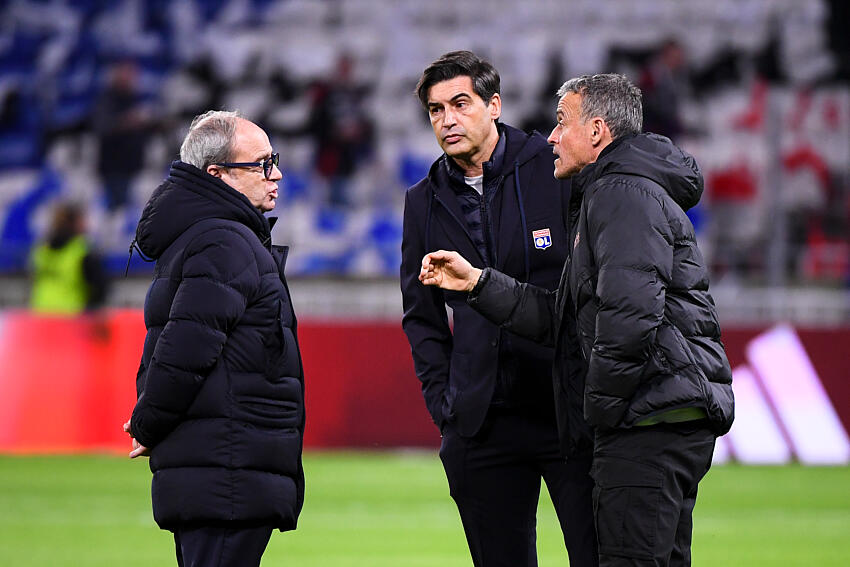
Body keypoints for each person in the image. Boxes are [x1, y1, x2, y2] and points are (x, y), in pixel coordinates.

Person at [418, 73, 734, 567]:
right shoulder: (616, 191)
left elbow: (630, 320)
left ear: (596, 131)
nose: (551, 137)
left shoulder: (620, 193)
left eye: (562, 122)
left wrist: (598, 412)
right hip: (657, 414)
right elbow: (564, 316)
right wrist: (479, 283)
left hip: (644, 421)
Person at [400, 51, 597, 567]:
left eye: (460, 104)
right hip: (482, 422)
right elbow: (420, 315)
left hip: (567, 410)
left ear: (493, 105)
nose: (447, 120)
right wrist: (446, 405)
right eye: (436, 110)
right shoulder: (423, 201)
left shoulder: (554, 170)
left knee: (600, 557)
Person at [122, 110, 305, 567]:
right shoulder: (226, 241)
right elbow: (186, 349)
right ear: (217, 175)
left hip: (218, 465)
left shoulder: (204, 236)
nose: (276, 172)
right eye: (262, 163)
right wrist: (149, 423)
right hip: (227, 471)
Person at [29, 202, 109, 314]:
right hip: (71, 319)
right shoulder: (82, 251)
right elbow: (99, 289)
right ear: (75, 223)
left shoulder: (41, 250)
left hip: (41, 315)